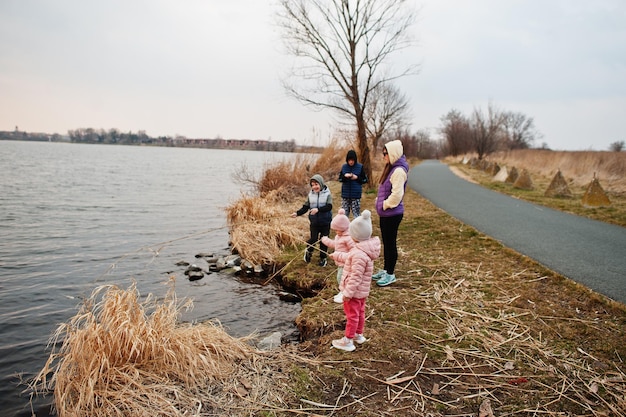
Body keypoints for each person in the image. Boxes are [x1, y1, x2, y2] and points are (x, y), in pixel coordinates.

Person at [330, 210, 380, 352]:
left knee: (352, 315)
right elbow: (349, 257)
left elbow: (355, 276)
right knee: (360, 313)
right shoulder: (362, 250)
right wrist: (337, 255)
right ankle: (358, 335)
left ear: (355, 235)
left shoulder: (359, 253)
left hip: (354, 292)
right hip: (361, 292)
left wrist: (347, 293)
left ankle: (348, 340)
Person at [373, 140, 409, 287]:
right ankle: (386, 269)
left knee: (390, 243)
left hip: (392, 214)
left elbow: (396, 196)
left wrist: (384, 204)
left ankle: (390, 274)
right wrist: (378, 201)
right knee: (386, 243)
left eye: (385, 154)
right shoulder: (391, 168)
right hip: (386, 214)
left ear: (392, 153)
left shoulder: (399, 171)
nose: (383, 157)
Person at [291, 174, 333, 267]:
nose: (314, 187)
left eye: (316, 184)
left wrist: (318, 209)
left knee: (324, 240)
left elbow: (329, 206)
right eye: (312, 185)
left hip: (325, 221)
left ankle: (323, 258)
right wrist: (297, 213)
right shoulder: (311, 195)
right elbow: (305, 207)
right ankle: (308, 251)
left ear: (321, 184)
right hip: (314, 222)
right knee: (313, 239)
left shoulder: (327, 194)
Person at [321, 208, 355, 303]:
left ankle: (344, 293)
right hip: (340, 263)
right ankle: (342, 291)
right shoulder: (339, 236)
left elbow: (353, 254)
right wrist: (325, 240)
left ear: (343, 228)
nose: (336, 232)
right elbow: (335, 245)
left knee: (342, 278)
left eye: (337, 230)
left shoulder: (348, 239)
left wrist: (337, 256)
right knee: (340, 277)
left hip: (346, 264)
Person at [338, 149, 368, 218]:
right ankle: (344, 228)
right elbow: (340, 179)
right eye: (349, 160)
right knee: (344, 215)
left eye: (352, 160)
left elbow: (365, 180)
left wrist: (356, 178)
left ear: (355, 160)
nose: (351, 162)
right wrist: (345, 176)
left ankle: (357, 228)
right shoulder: (344, 167)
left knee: (356, 215)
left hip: (356, 195)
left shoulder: (360, 167)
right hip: (345, 195)